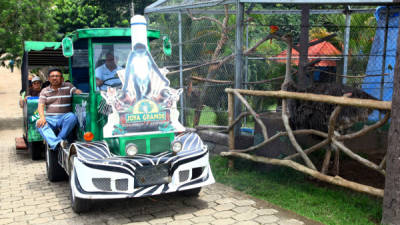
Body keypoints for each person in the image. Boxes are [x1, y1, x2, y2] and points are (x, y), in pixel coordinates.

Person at [36, 68, 82, 150]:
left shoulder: (68, 86)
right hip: (50, 118)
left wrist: (79, 92)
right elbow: (40, 105)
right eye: (52, 76)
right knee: (39, 123)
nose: (54, 78)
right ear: (49, 78)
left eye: (57, 76)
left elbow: (76, 92)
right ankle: (57, 143)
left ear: (62, 78)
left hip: (64, 117)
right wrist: (42, 117)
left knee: (72, 117)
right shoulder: (44, 91)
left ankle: (58, 140)